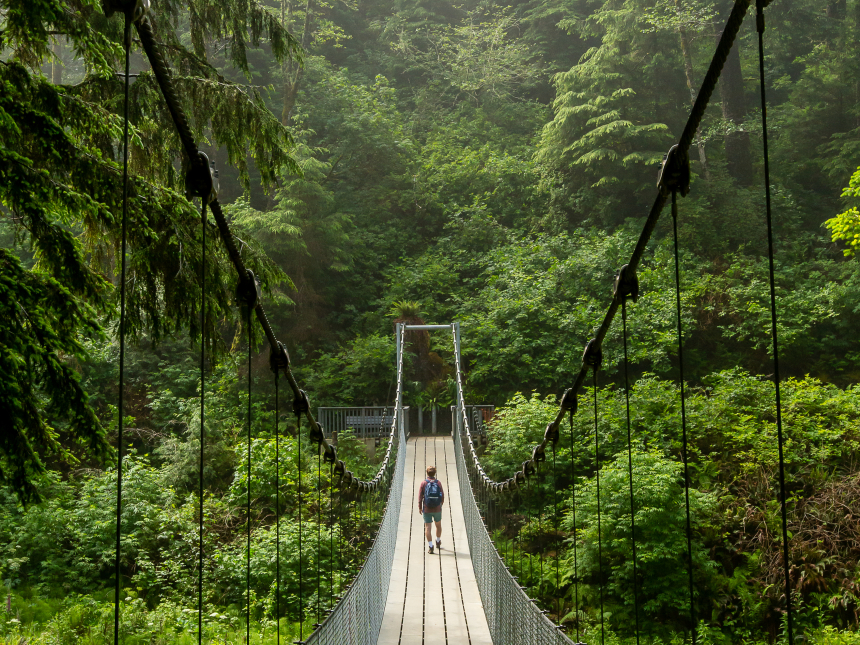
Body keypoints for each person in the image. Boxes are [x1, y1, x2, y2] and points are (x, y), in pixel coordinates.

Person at [418, 466, 444, 553]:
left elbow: (420, 496)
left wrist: (420, 507)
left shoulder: (423, 483)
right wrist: (440, 505)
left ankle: (430, 546)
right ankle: (438, 541)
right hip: (437, 508)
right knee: (438, 525)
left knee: (427, 527)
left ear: (427, 473)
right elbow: (442, 495)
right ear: (435, 473)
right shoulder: (438, 483)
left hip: (427, 508)